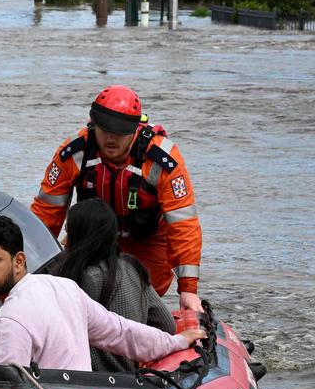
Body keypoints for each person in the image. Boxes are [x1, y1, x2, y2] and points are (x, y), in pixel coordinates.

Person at [30, 85, 203, 312]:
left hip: (147, 241)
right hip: (90, 238)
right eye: (104, 130)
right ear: (93, 124)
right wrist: (29, 270)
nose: (111, 138)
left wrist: (188, 290)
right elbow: (46, 215)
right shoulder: (73, 153)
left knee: (133, 300)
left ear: (134, 129)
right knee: (77, 290)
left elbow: (183, 225)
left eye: (120, 132)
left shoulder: (162, 160)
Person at [0, 216, 203, 372]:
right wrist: (177, 341)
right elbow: (122, 333)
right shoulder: (63, 288)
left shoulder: (9, 323)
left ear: (19, 261)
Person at [53, 199, 177, 373]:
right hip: (132, 378)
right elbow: (167, 325)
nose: (64, 241)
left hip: (95, 381)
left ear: (83, 236)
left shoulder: (87, 277)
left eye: (69, 232)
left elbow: (60, 334)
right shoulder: (133, 267)